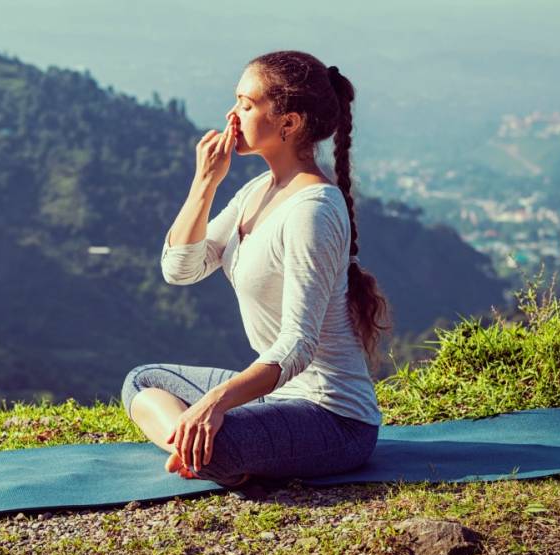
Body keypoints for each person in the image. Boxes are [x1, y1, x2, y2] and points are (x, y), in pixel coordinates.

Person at [122, 50, 393, 489]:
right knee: (144, 381)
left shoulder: (314, 211)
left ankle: (211, 454)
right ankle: (199, 452)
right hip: (279, 396)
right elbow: (180, 269)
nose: (232, 115)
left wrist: (215, 403)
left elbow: (297, 346)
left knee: (218, 438)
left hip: (334, 420)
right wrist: (204, 183)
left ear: (289, 123)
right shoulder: (256, 192)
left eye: (247, 105)